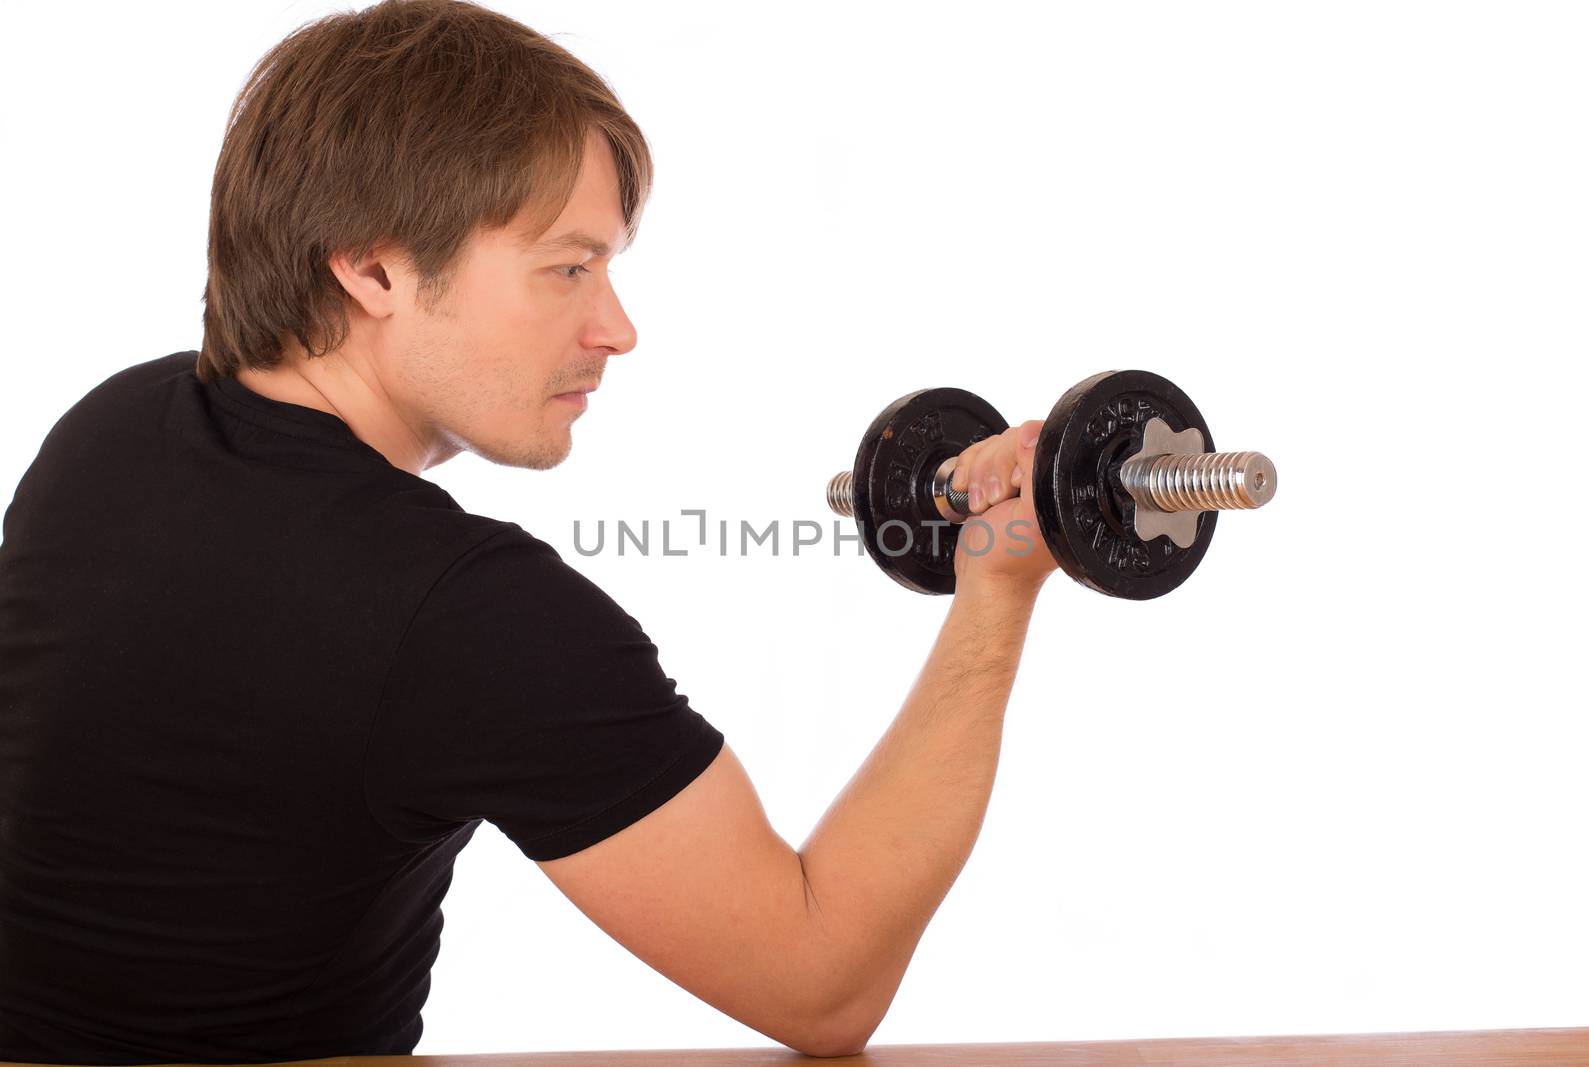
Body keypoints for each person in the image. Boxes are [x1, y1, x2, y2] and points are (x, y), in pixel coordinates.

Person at [0, 1, 1055, 1061]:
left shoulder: (111, 432)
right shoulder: (460, 610)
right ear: (371, 271)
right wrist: (995, 590)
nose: (617, 328)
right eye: (566, 268)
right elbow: (823, 980)